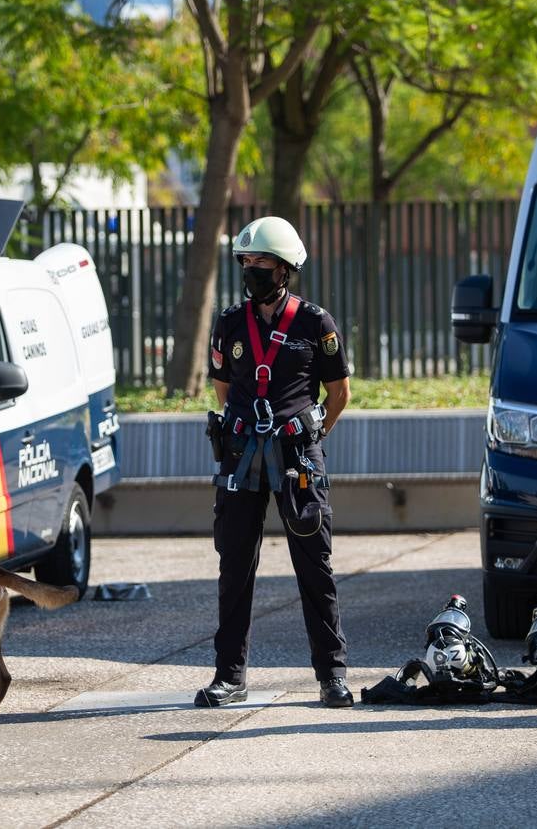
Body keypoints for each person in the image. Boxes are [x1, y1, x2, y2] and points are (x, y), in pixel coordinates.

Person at [197, 216, 354, 708]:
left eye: (261, 262)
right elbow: (223, 391)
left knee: (315, 566)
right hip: (242, 458)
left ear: (285, 268)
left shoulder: (315, 323)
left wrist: (308, 439)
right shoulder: (228, 323)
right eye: (246, 262)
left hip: (297, 460)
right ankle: (229, 676)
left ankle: (332, 676)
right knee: (235, 567)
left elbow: (339, 393)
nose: (251, 270)